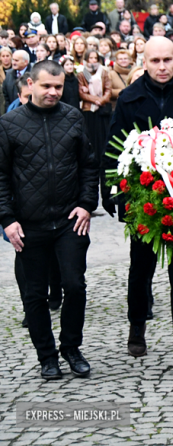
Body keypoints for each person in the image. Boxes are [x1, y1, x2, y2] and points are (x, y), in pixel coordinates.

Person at [102, 36, 173, 378]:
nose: (162, 67)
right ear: (143, 62)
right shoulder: (130, 98)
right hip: (143, 199)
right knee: (140, 269)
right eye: (155, 61)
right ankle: (136, 325)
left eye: (167, 60)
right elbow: (115, 149)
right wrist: (114, 195)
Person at [0, 60, 98, 379]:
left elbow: (88, 164)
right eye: (46, 86)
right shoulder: (9, 124)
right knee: (34, 294)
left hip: (70, 220)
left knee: (75, 285)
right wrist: (7, 218)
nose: (53, 92)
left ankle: (71, 347)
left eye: (58, 86)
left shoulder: (72, 117)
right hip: (29, 225)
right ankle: (47, 356)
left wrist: (86, 204)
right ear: (30, 84)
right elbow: (0, 176)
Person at [78, 50, 112, 159]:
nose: (93, 60)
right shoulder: (81, 74)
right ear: (87, 59)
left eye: (95, 58)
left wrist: (101, 100)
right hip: (89, 109)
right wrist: (95, 99)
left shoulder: (103, 72)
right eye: (91, 58)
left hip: (102, 109)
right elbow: (81, 93)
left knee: (102, 137)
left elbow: (108, 89)